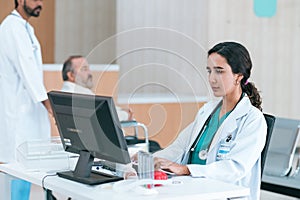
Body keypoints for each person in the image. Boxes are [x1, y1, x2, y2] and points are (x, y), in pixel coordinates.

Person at [149, 42, 267, 200]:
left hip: (222, 194)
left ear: (238, 76)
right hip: (194, 189)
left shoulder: (252, 119)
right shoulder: (207, 111)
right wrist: (149, 161)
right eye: (209, 71)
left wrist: (186, 170)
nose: (212, 79)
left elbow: (235, 168)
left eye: (219, 71)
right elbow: (179, 148)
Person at [0, 0, 51, 199]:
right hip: (18, 115)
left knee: (26, 171)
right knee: (18, 171)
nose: (39, 3)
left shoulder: (25, 28)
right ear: (20, 0)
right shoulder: (12, 28)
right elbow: (27, 69)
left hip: (28, 114)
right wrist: (49, 105)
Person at [61, 55, 133, 121]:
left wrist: (121, 110)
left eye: (89, 69)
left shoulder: (63, 95)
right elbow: (108, 116)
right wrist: (126, 115)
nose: (90, 73)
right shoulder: (82, 96)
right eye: (84, 69)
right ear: (70, 75)